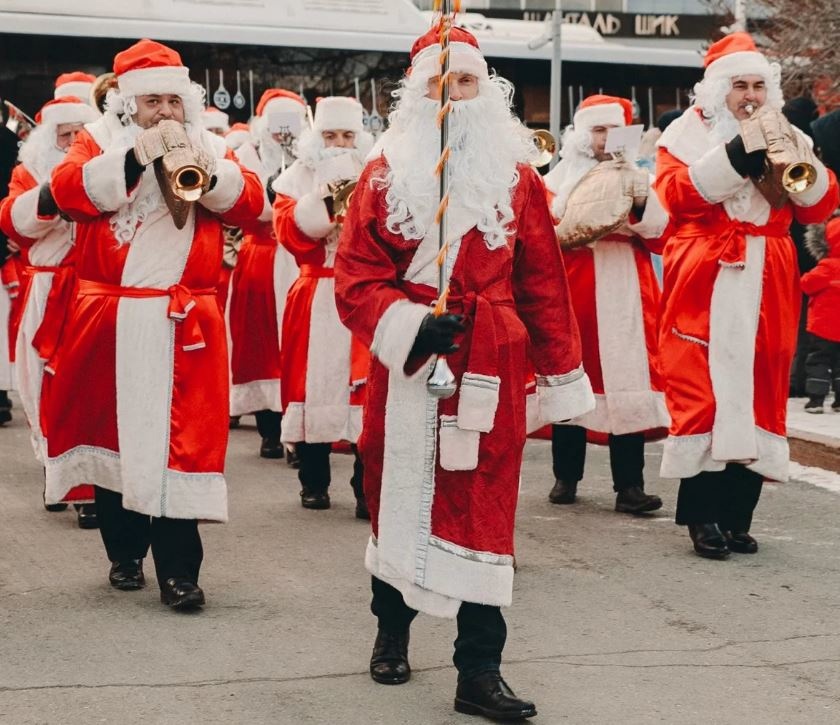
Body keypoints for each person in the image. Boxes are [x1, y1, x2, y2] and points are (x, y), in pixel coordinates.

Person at [334, 25, 594, 720]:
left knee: (484, 508)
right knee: (401, 494)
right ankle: (392, 629)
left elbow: (543, 282)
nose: (455, 93)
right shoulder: (384, 173)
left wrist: (561, 370)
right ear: (417, 94)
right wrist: (409, 324)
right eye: (440, 82)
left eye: (467, 81)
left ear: (488, 91)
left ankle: (479, 667)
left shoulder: (519, 180)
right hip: (413, 364)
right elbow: (356, 279)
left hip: (492, 366)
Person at [48, 39, 263, 609]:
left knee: (182, 443)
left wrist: (210, 175)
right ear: (129, 107)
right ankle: (123, 554)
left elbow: (255, 207)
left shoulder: (213, 146)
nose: (164, 111)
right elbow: (67, 194)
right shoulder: (99, 143)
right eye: (151, 103)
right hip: (113, 314)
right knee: (114, 434)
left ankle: (179, 572)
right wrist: (132, 159)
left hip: (185, 315)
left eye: (172, 100)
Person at [654, 32, 839, 559]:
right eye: (740, 85)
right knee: (706, 391)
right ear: (719, 89)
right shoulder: (687, 133)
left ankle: (738, 516)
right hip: (708, 267)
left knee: (761, 384)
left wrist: (801, 170)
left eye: (759, 85)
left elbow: (815, 208)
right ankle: (701, 518)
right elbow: (677, 196)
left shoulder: (789, 132)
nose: (750, 95)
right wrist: (736, 153)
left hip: (769, 268)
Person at [543, 94, 670, 514]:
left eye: (612, 130)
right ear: (582, 134)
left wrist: (637, 202)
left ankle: (629, 485)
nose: (604, 139)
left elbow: (660, 234)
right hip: (573, 283)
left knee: (626, 380)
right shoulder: (558, 178)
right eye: (597, 129)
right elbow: (546, 230)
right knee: (570, 375)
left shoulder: (640, 177)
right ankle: (566, 476)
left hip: (623, 287)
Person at [0, 96, 99, 526]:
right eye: (65, 134)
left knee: (86, 388)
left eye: (81, 133)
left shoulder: (103, 173)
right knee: (41, 384)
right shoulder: (27, 173)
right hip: (46, 288)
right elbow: (12, 221)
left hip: (89, 290)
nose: (73, 140)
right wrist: (53, 194)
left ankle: (88, 486)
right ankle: (54, 469)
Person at [272, 96, 372, 514]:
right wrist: (325, 203)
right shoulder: (295, 179)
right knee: (310, 387)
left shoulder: (376, 174)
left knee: (365, 391)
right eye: (330, 135)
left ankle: (367, 485)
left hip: (364, 293)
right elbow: (290, 236)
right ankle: (313, 481)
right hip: (315, 293)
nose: (339, 143)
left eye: (348, 135)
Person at [228, 89, 305, 458]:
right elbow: (243, 205)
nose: (282, 135)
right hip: (261, 254)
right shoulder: (247, 155)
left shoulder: (308, 155)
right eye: (277, 126)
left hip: (297, 257)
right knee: (260, 341)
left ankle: (297, 427)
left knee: (296, 343)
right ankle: (269, 428)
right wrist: (274, 192)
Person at [801, 216, 840, 412]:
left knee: (818, 361)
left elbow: (806, 284)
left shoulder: (826, 268)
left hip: (823, 327)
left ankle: (816, 400)